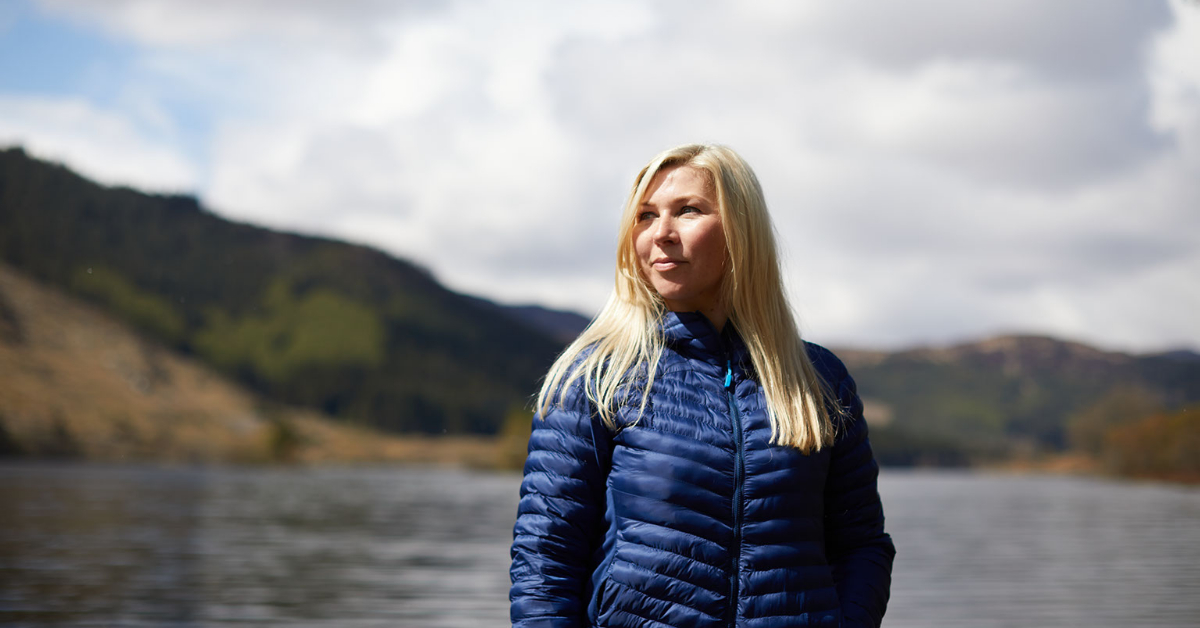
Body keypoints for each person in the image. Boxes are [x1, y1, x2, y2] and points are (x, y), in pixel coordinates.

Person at [510, 144, 894, 628]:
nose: (661, 234)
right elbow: (544, 562)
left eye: (687, 211)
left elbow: (862, 544)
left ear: (740, 231)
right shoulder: (598, 375)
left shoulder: (818, 379)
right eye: (645, 216)